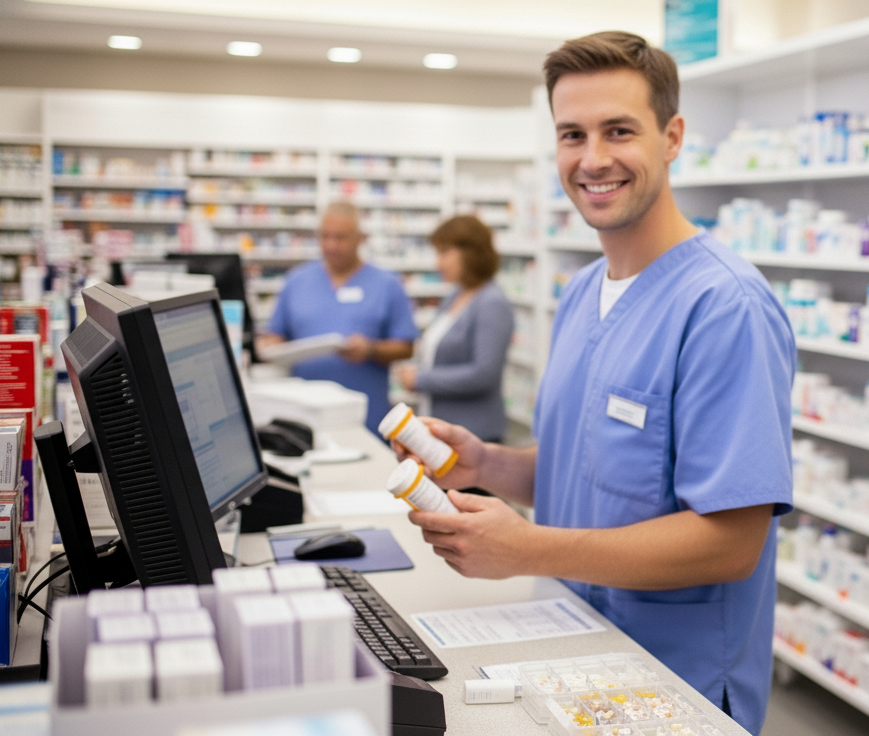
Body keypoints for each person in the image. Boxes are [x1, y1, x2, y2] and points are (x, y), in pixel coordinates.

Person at [397, 32, 795, 734]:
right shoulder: (583, 291)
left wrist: (526, 547)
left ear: (671, 137)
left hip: (676, 684)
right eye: (571, 135)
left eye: (619, 130)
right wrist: (488, 465)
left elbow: (733, 540)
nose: (593, 159)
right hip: (575, 647)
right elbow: (595, 466)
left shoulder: (724, 306)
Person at [257, 201, 418, 432]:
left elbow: (406, 347)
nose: (331, 245)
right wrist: (270, 346)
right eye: (325, 236)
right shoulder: (297, 281)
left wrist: (371, 350)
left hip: (367, 417)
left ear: (360, 238)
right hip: (303, 415)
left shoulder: (387, 284)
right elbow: (275, 334)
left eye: (340, 237)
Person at [396, 215, 514, 443]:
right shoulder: (456, 296)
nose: (437, 263)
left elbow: (484, 374)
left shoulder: (491, 302)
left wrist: (421, 380)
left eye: (444, 252)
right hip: (442, 430)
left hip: (475, 437)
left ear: (471, 251)